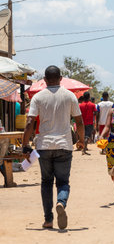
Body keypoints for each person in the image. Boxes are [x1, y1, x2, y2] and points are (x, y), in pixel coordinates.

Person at [22, 65, 85, 230]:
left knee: (46, 182)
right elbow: (79, 122)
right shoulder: (70, 96)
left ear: (44, 80)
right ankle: (61, 203)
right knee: (63, 182)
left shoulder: (38, 97)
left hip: (44, 146)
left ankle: (48, 219)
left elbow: (30, 122)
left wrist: (25, 145)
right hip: (64, 145)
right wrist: (81, 140)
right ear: (61, 78)